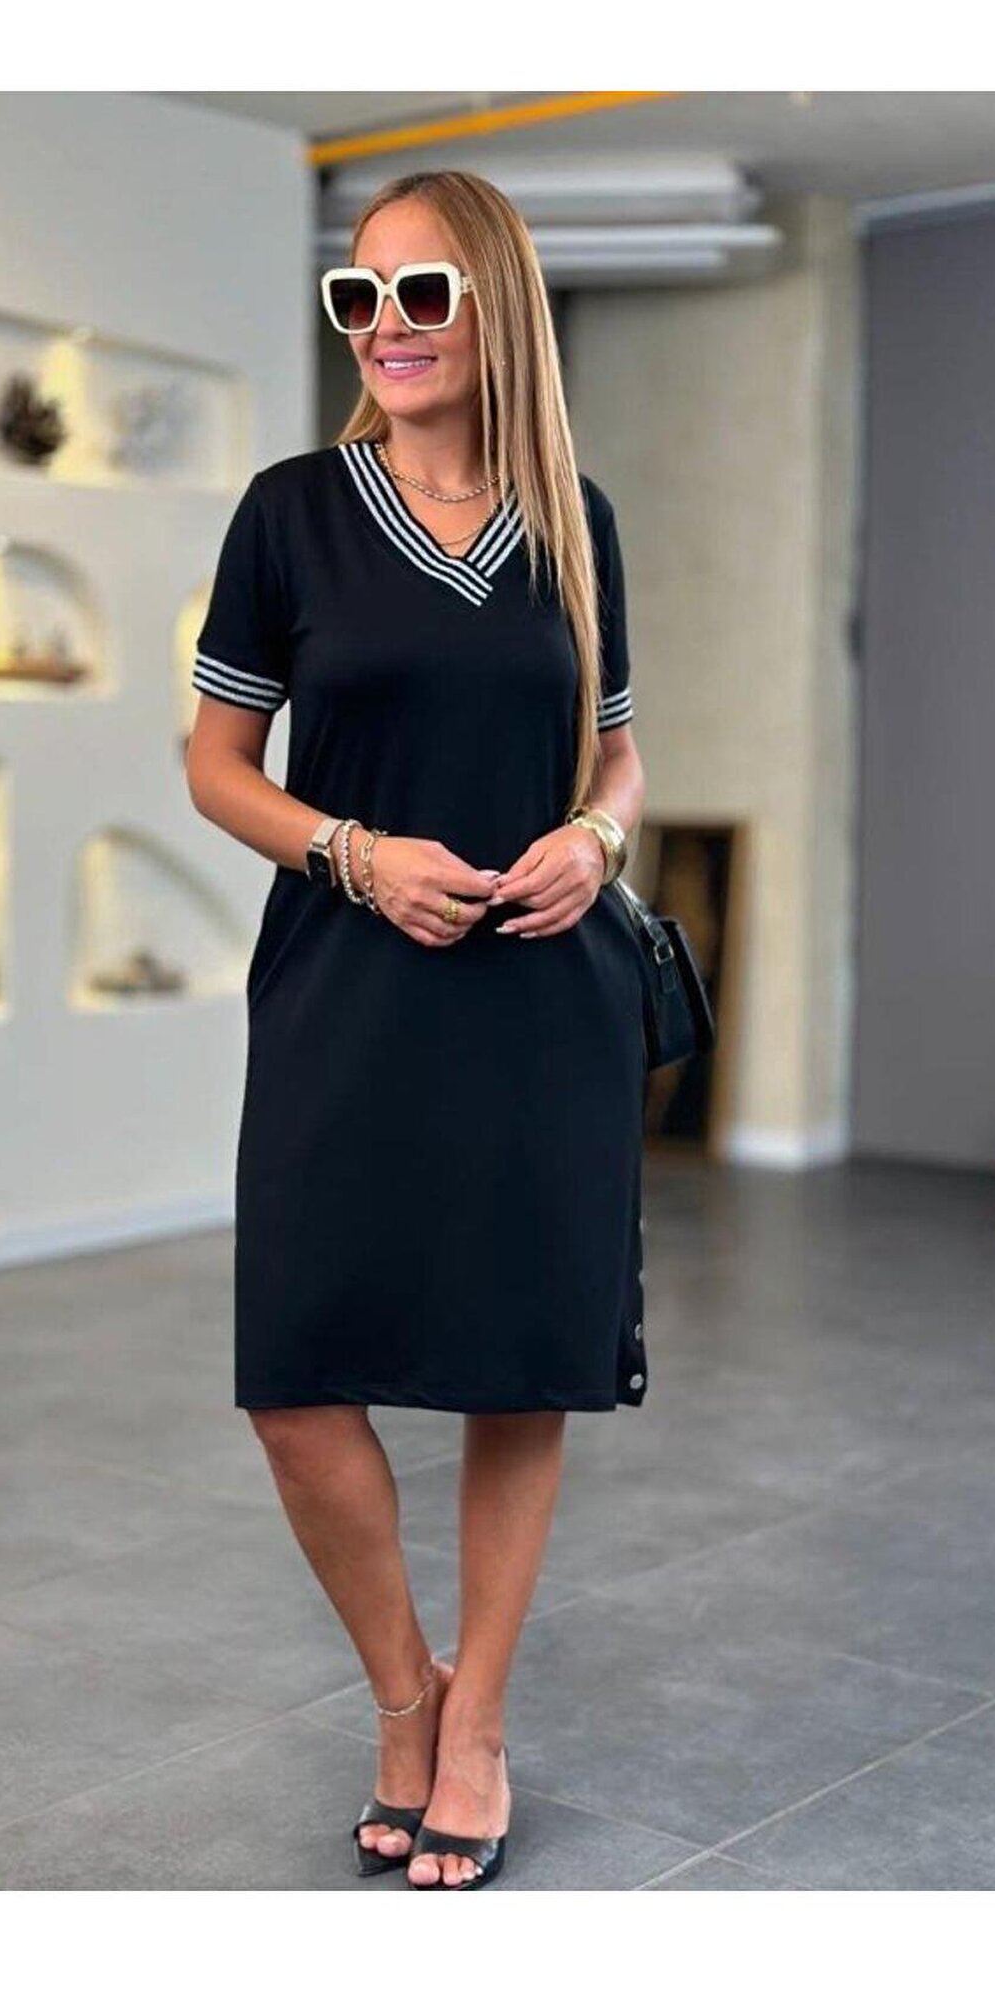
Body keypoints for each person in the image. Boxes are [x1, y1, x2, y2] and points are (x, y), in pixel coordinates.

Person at [185, 168, 646, 1889]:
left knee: (519, 1374)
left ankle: (479, 1728)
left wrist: (597, 837)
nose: (385, 326)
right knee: (296, 1380)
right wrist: (354, 853)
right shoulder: (291, 513)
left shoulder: (578, 520)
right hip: (344, 987)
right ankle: (405, 1695)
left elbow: (618, 752)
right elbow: (216, 767)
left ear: (496, 307)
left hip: (542, 998)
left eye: (424, 293)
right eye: (359, 296)